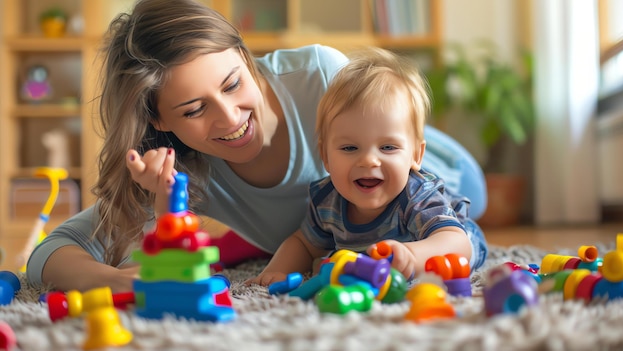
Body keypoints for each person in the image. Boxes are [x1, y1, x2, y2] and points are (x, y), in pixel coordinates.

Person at [26, 0, 486, 293]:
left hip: (437, 175)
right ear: (158, 120)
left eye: (232, 83)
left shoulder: (321, 77)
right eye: (192, 110)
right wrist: (112, 280)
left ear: (246, 57)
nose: (230, 119)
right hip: (340, 230)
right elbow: (52, 251)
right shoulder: (174, 173)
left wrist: (395, 157)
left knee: (463, 191)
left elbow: (394, 137)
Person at [249, 48, 488, 286]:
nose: (368, 161)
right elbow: (303, 243)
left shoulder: (416, 196)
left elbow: (457, 242)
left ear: (416, 155)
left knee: (463, 256)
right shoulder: (326, 201)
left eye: (387, 148)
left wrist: (413, 256)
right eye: (350, 148)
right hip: (381, 257)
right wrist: (277, 270)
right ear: (325, 156)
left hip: (452, 232)